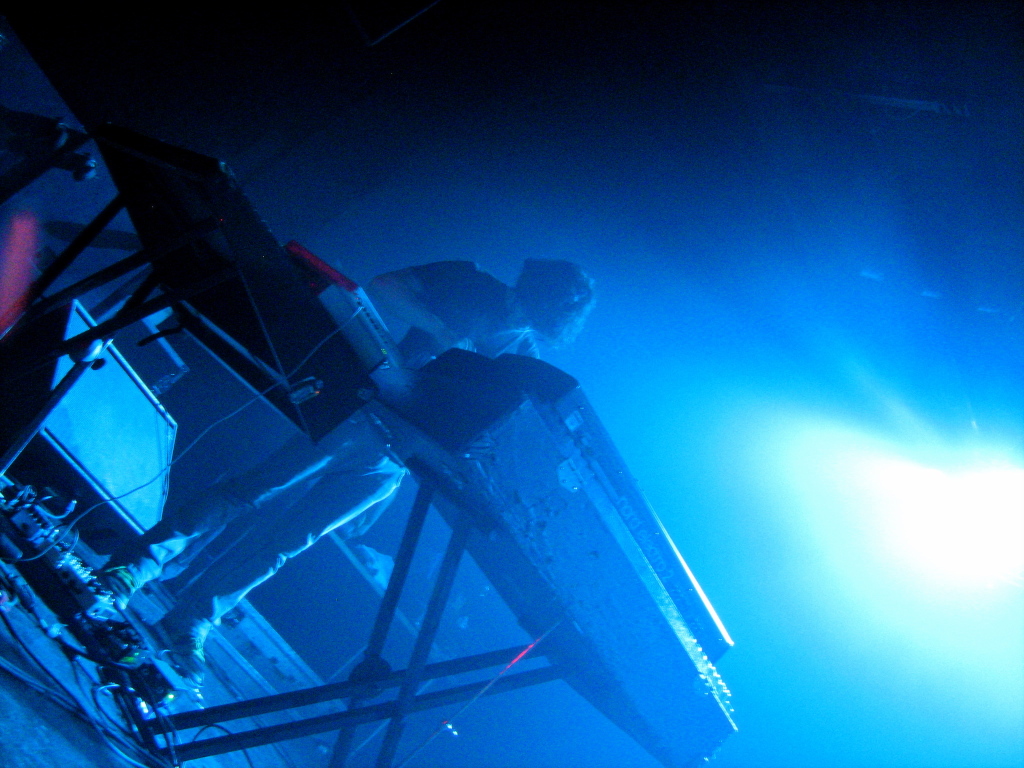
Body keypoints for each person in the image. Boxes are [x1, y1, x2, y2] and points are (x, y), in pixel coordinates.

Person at [101, 258, 594, 685]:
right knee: (249, 492)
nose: (523, 315)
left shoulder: (524, 356)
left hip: (398, 459)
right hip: (361, 413)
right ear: (529, 286)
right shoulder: (470, 281)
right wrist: (442, 331)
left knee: (288, 542)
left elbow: (488, 424)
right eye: (529, 303)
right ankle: (137, 567)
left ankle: (192, 619)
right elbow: (383, 287)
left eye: (538, 315)